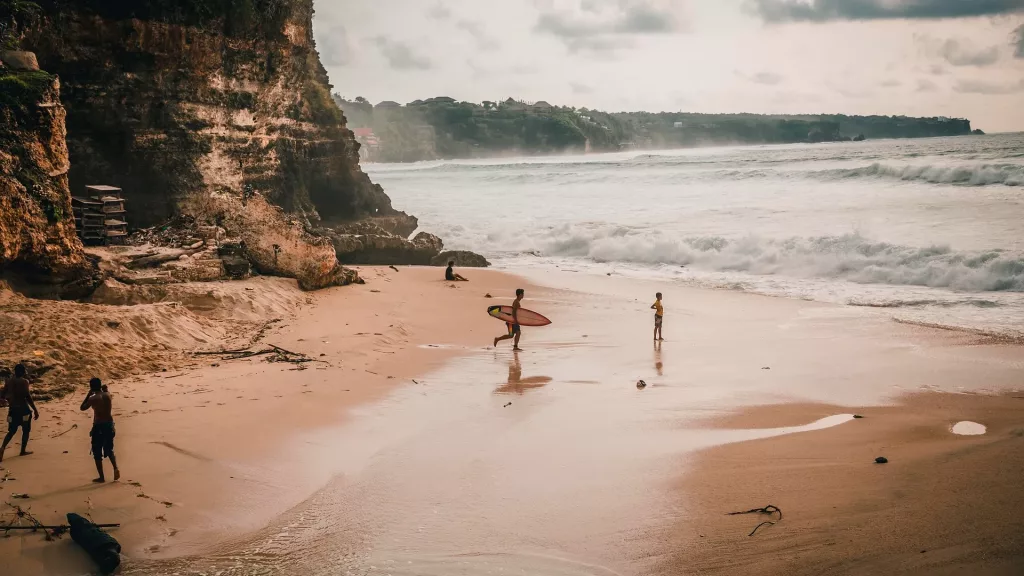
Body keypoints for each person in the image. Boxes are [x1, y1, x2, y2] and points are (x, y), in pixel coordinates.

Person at [80, 378, 119, 483]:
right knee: (109, 448)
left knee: (97, 451)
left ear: (91, 387)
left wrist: (88, 394)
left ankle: (101, 477)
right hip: (110, 424)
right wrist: (105, 389)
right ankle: (115, 468)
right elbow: (106, 391)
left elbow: (82, 407)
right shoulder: (108, 395)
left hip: (99, 426)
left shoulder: (93, 398)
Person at [0, 364, 39, 463]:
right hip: (24, 411)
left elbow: (2, 395)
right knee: (26, 430)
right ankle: (22, 450)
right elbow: (27, 397)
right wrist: (35, 409)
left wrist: (4, 401)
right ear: (22, 372)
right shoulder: (24, 382)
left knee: (11, 431)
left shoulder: (9, 382)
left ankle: (2, 447)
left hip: (12, 410)